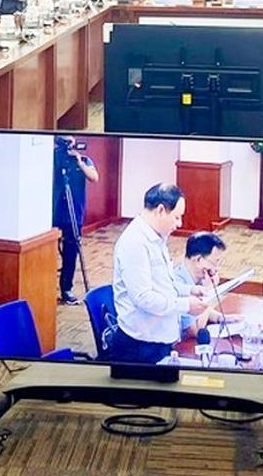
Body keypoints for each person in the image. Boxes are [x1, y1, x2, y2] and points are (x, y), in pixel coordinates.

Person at [108, 183, 209, 364]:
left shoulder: (157, 236)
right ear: (161, 210)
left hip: (158, 338)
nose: (179, 224)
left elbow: (162, 281)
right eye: (177, 217)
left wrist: (188, 290)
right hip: (140, 347)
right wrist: (186, 305)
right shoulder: (135, 243)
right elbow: (144, 298)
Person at [53, 136, 99, 305]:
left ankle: (66, 288)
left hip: (74, 213)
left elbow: (94, 177)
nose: (68, 146)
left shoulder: (84, 160)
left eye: (70, 141)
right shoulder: (51, 159)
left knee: (71, 251)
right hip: (53, 212)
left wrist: (79, 162)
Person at [172, 231, 226, 340]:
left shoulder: (198, 279)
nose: (216, 269)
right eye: (215, 262)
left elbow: (200, 311)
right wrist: (209, 293)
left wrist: (221, 318)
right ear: (198, 260)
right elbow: (195, 330)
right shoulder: (179, 284)